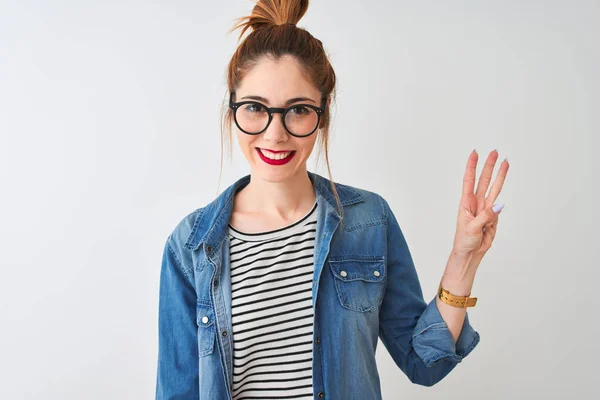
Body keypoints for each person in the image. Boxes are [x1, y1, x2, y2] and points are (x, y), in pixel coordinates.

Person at [155, 1, 510, 399]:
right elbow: (176, 392)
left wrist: (464, 258)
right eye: (255, 108)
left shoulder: (367, 221)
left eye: (298, 110)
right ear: (231, 110)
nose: (275, 134)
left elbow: (424, 362)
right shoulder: (191, 246)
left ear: (322, 115)